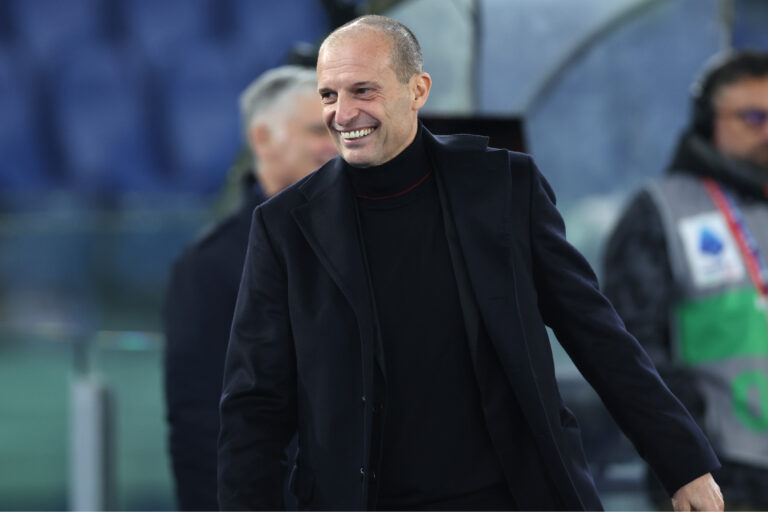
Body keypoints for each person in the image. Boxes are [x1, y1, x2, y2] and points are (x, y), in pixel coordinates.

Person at [218, 15, 724, 511]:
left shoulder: (503, 186)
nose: (343, 113)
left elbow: (597, 335)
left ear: (417, 90)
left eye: (363, 91)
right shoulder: (285, 226)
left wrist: (682, 463)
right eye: (329, 95)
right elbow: (255, 404)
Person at [162, 65, 337, 510]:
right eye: (317, 130)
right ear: (262, 140)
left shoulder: (372, 239)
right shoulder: (211, 267)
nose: (332, 145)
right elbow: (203, 426)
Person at [604, 50, 768, 510]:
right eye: (752, 117)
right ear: (707, 121)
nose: (767, 131)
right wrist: (687, 448)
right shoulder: (662, 210)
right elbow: (629, 348)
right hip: (720, 474)